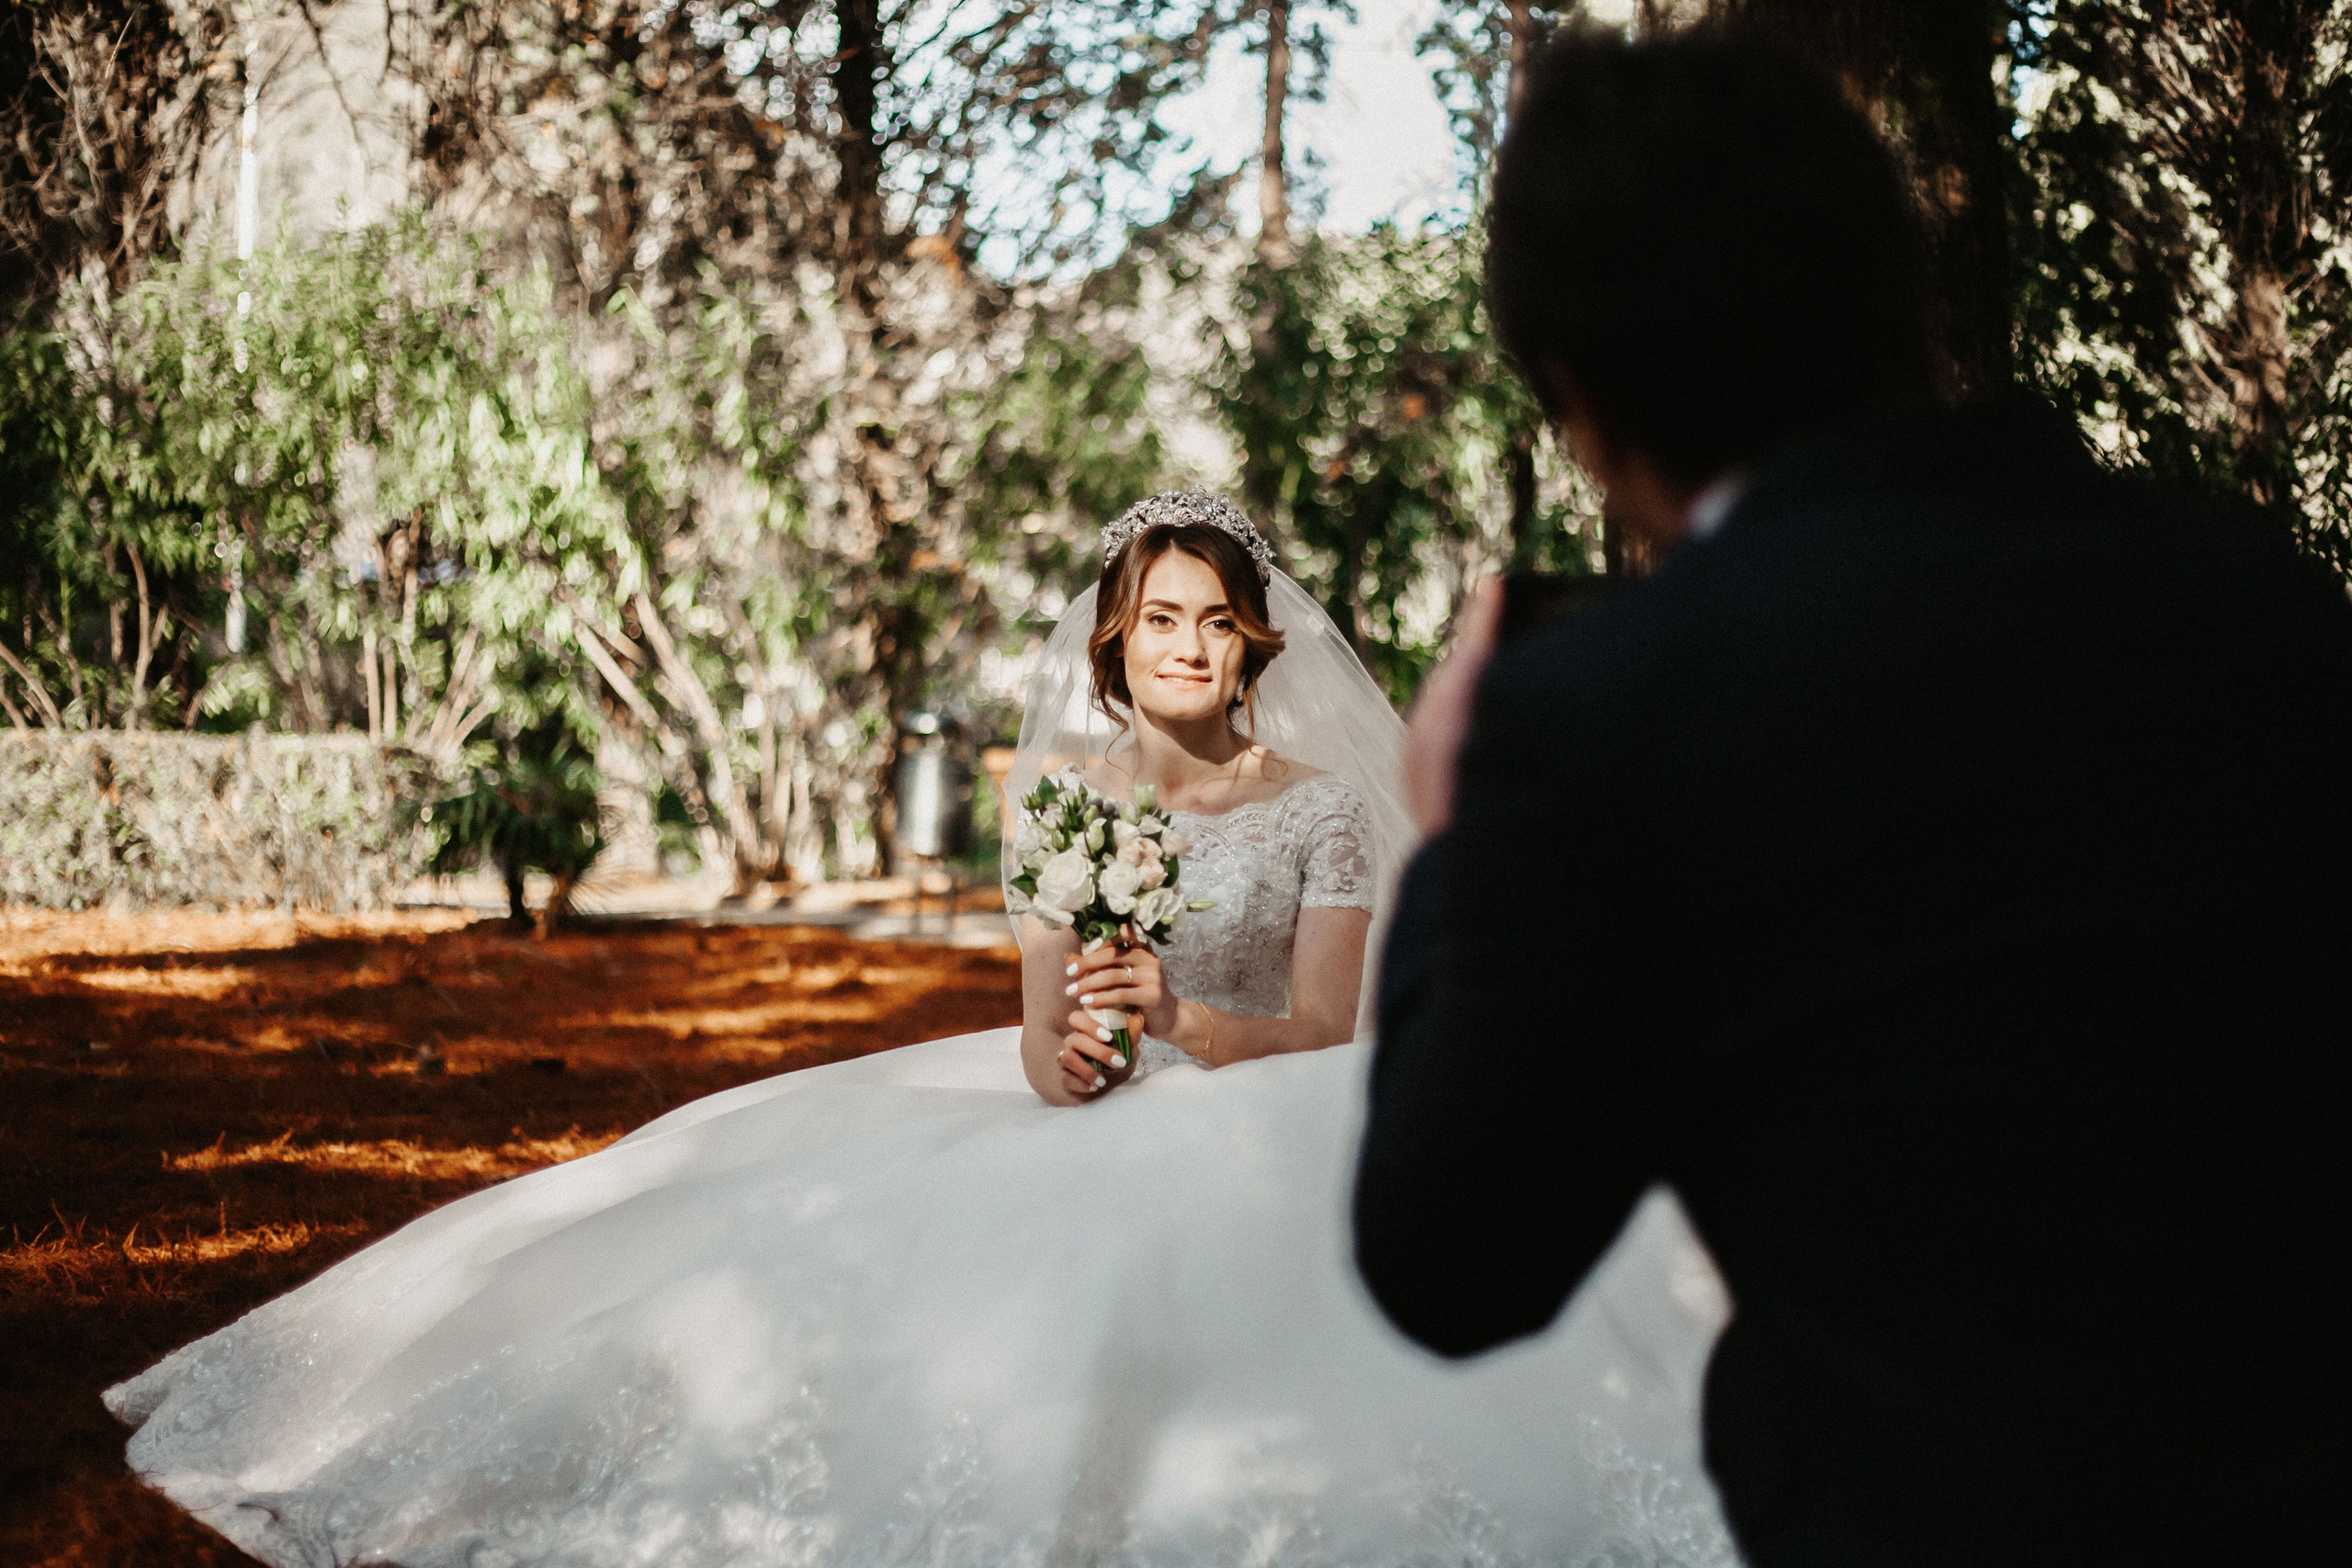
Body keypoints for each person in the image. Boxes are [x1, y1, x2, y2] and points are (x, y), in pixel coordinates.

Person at [107, 492, 1744, 1568]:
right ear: (1116, 640)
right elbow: (1037, 1038)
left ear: (1256, 637)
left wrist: (1180, 1020)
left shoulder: (1320, 809)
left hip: (1274, 1091)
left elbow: (1328, 1026)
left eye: (1211, 619)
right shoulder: (1063, 806)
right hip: (1100, 1093)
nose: (1185, 644)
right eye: (1155, 618)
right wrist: (1086, 1056)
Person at [1354, 29, 2349, 1568]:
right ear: (1884, 284)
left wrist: (1449, 837)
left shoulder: (1613, 716)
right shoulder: (2261, 605)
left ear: (1581, 393)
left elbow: (1453, 1258)